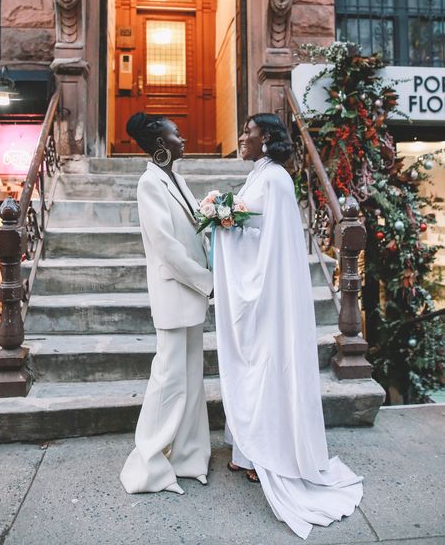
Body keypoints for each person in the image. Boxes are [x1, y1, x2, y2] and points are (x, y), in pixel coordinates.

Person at [213, 113, 363, 540]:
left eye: (249, 132)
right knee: (251, 371)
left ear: (269, 140)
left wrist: (224, 224)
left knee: (265, 371)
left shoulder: (276, 179)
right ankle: (246, 452)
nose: (241, 137)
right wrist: (224, 220)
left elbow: (271, 245)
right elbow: (253, 231)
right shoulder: (260, 175)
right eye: (241, 131)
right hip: (255, 292)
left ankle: (271, 454)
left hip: (267, 295)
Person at [120, 112, 213, 495]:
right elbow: (167, 247)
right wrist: (207, 281)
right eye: (176, 133)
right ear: (160, 143)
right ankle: (149, 467)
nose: (183, 137)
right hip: (175, 291)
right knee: (168, 380)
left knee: (192, 380)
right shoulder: (149, 183)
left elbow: (192, 231)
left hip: (191, 293)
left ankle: (189, 458)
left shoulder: (177, 177)